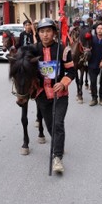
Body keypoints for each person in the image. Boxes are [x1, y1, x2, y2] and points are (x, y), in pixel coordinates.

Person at [34, 18, 76, 174]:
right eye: (42, 31)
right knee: (50, 125)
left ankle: (57, 158)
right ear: (38, 33)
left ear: (54, 33)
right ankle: (59, 143)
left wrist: (63, 83)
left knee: (58, 123)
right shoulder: (34, 50)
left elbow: (72, 71)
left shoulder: (63, 50)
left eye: (48, 31)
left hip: (60, 93)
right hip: (42, 94)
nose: (45, 35)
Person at [87, 22, 102, 107]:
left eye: (101, 28)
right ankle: (94, 98)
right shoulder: (92, 39)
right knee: (93, 82)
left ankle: (101, 98)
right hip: (92, 63)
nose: (99, 30)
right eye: (98, 28)